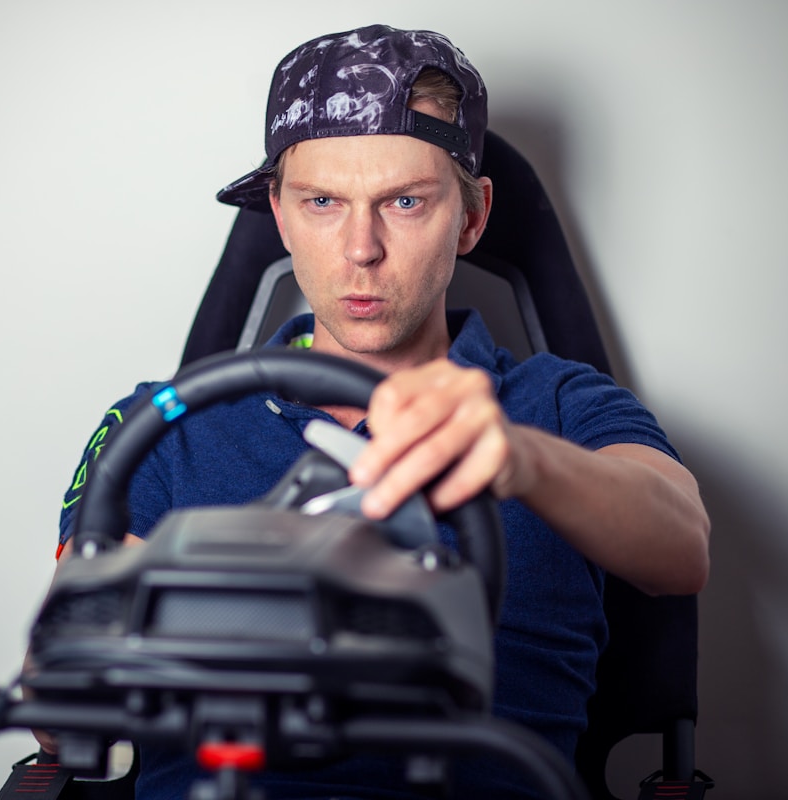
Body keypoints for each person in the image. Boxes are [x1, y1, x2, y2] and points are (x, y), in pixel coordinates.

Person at [37, 24, 710, 798]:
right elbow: (59, 697)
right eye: (322, 201)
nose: (361, 247)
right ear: (281, 218)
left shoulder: (557, 405)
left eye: (405, 201)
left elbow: (681, 546)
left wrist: (522, 458)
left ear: (472, 215)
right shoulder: (160, 429)